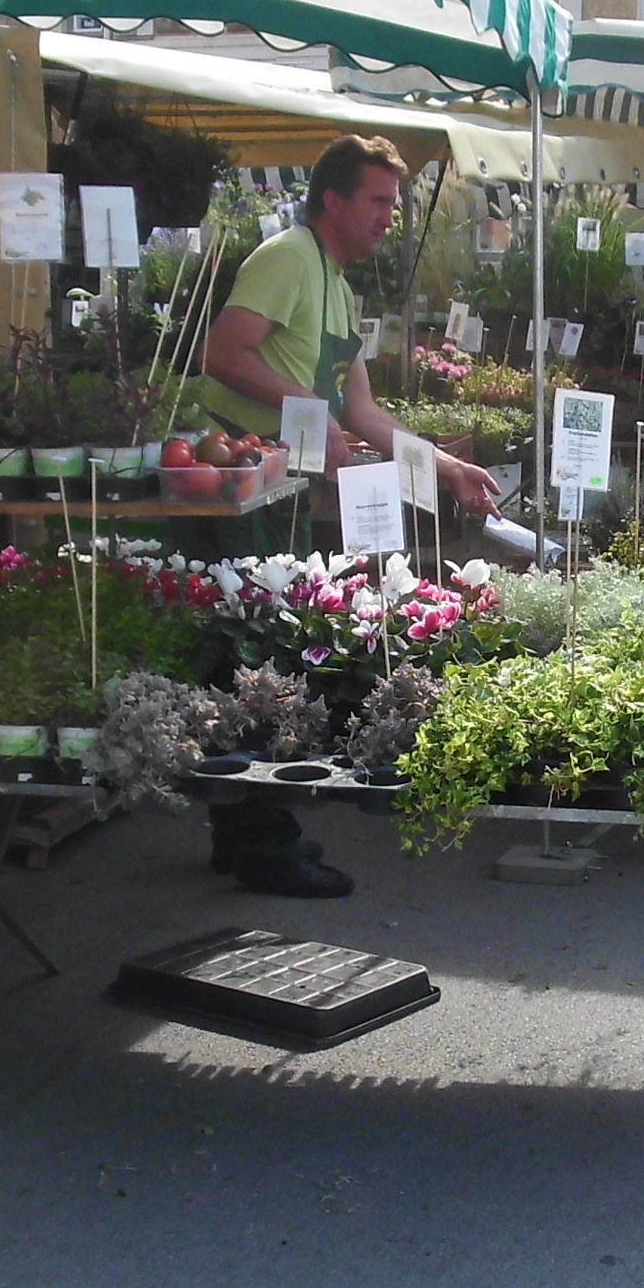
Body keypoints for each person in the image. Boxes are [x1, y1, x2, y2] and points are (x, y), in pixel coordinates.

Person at [196, 133, 497, 897]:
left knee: (256, 651)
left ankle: (240, 832)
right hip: (242, 486)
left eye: (395, 204)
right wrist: (303, 408)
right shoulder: (289, 256)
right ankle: (265, 840)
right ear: (333, 198)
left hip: (283, 487)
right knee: (257, 653)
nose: (388, 218)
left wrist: (448, 466)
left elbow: (360, 410)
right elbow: (222, 355)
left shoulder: (335, 282)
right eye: (378, 201)